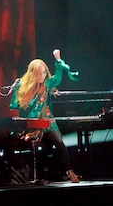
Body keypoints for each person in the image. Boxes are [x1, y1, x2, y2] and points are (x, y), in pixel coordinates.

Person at [9, 49, 80, 183]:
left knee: (60, 143)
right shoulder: (21, 86)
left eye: (44, 72)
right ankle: (25, 175)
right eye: (40, 73)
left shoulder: (47, 84)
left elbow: (57, 78)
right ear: (33, 73)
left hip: (47, 121)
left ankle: (70, 171)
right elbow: (13, 105)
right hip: (30, 123)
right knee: (17, 145)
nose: (43, 76)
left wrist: (58, 60)